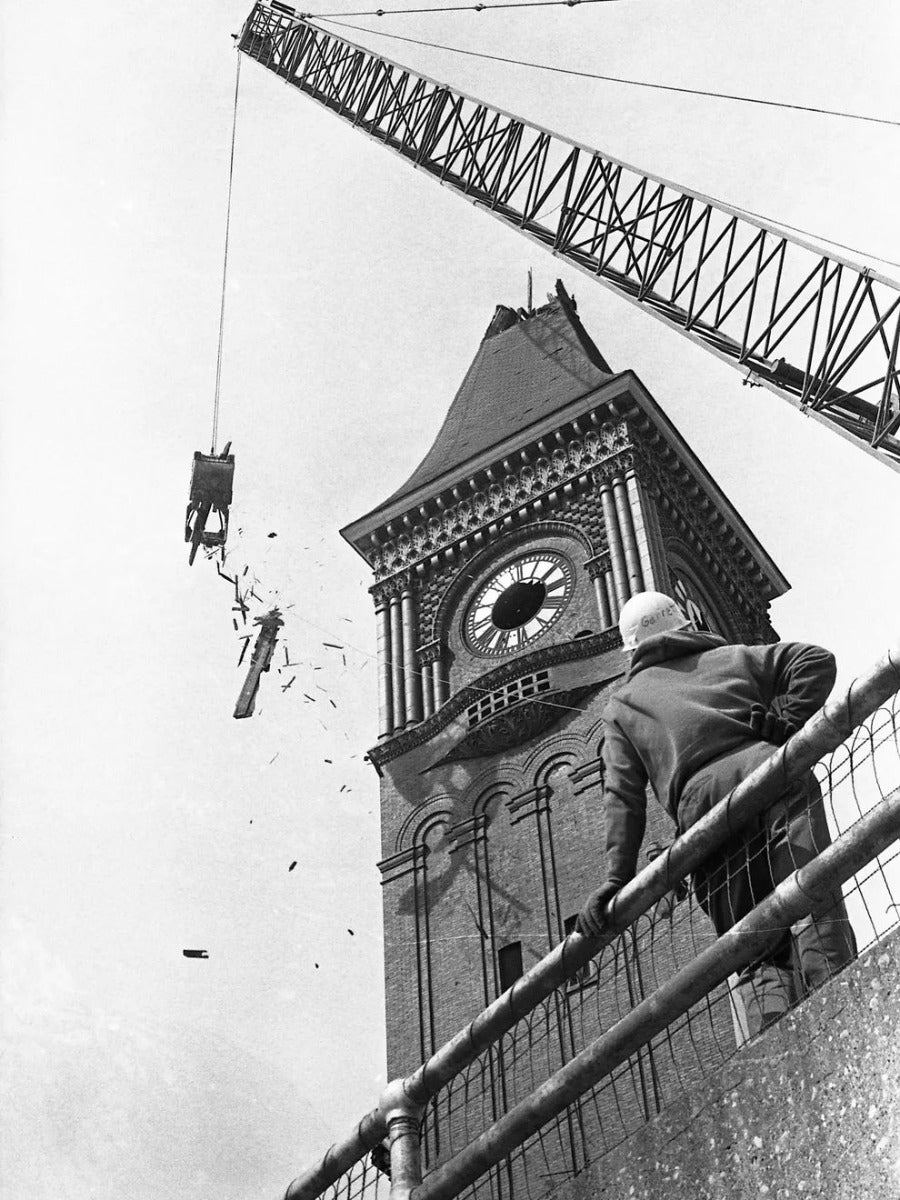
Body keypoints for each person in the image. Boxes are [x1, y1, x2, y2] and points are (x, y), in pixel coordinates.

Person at [576, 591, 856, 1034]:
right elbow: (815, 660)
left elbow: (622, 797)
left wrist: (617, 877)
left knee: (754, 948)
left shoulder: (623, 706)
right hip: (770, 773)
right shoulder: (733, 656)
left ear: (632, 650)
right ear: (686, 626)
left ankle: (779, 1043)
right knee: (811, 894)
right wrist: (785, 719)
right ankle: (846, 1005)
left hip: (703, 815)